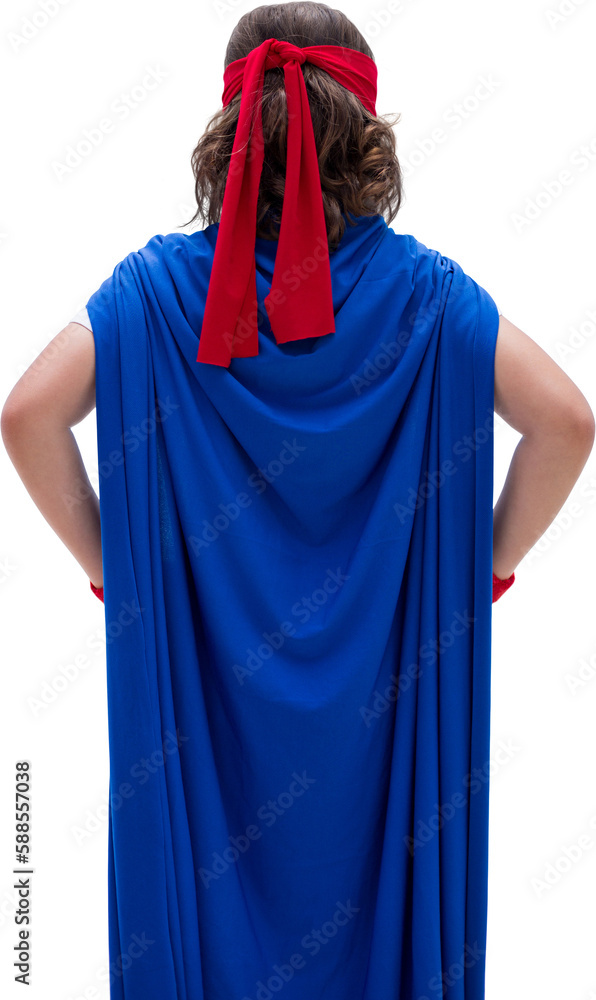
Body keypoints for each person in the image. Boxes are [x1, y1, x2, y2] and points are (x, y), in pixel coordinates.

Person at [2, 3, 594, 998]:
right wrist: (482, 566)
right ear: (362, 132)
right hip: (389, 718)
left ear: (230, 135)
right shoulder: (430, 300)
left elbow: (25, 414)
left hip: (197, 730)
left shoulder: (153, 295)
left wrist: (118, 569)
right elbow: (566, 422)